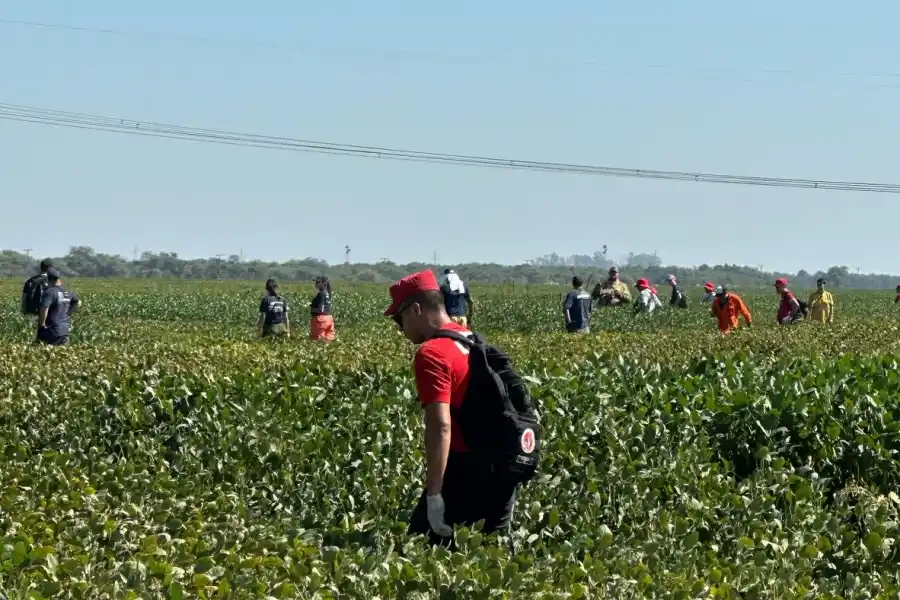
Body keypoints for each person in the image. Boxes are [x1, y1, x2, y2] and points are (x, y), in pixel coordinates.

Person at [384, 270, 519, 549]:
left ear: (416, 309)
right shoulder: (472, 338)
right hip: (503, 465)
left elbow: (440, 427)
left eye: (399, 319)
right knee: (491, 559)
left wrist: (434, 494)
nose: (400, 329)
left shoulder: (432, 353)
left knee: (417, 552)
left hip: (463, 471)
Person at [37, 268, 79, 346]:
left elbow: (44, 308)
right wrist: (68, 314)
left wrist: (42, 324)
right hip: (64, 331)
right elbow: (76, 301)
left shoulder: (50, 292)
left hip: (51, 331)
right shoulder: (68, 291)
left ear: (49, 280)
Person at [310, 276, 336, 341]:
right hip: (329, 319)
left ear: (323, 283)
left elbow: (320, 310)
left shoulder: (321, 294)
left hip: (321, 320)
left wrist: (311, 309)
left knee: (317, 341)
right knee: (327, 341)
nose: (315, 283)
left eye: (318, 282)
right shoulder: (328, 293)